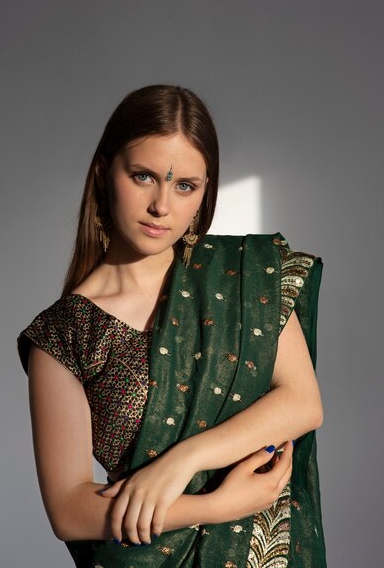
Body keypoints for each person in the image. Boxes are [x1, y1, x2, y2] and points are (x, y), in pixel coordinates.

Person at [17, 84, 327, 567]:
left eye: (185, 185)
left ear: (205, 192)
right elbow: (69, 509)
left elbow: (302, 403)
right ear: (104, 174)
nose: (162, 206)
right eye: (143, 176)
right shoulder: (65, 333)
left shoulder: (243, 275)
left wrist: (181, 462)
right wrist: (215, 506)